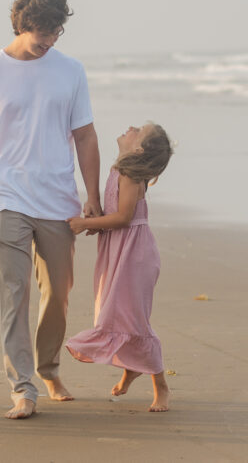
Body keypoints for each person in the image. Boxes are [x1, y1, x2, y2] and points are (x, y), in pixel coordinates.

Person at [0, 0, 101, 419]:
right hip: (7, 196)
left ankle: (48, 366)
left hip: (58, 198)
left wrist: (92, 195)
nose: (50, 40)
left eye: (57, 32)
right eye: (43, 32)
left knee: (58, 293)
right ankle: (23, 387)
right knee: (14, 292)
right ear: (22, 24)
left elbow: (85, 136)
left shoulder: (71, 71)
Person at [65, 122, 174, 412]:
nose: (130, 127)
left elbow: (124, 218)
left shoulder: (128, 174)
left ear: (138, 149)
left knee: (132, 318)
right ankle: (132, 367)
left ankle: (161, 385)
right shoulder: (119, 170)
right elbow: (115, 215)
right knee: (114, 311)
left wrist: (84, 224)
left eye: (138, 130)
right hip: (119, 250)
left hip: (134, 255)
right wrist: (97, 219)